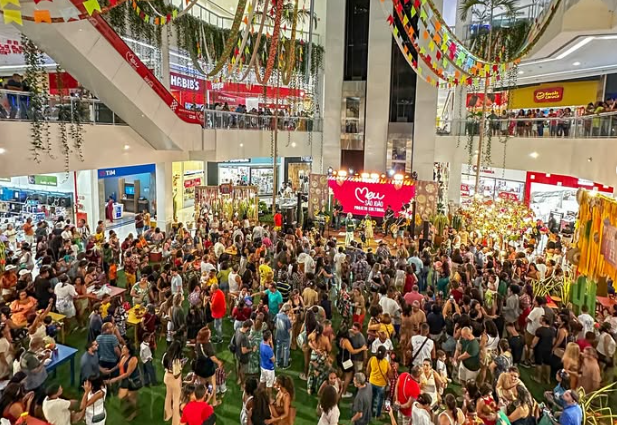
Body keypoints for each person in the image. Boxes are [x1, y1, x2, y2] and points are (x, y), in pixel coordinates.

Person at [163, 340, 185, 425]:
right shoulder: (176, 360)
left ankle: (167, 415)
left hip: (167, 377)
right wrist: (181, 367)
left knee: (168, 395)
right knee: (176, 400)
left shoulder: (166, 355)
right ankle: (175, 422)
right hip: (174, 380)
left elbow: (164, 366)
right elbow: (176, 375)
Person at [367, 345, 391, 419]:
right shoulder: (386, 362)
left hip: (372, 382)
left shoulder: (372, 359)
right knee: (380, 400)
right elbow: (389, 374)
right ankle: (378, 415)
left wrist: (368, 376)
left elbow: (368, 369)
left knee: (371, 398)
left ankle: (370, 413)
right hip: (381, 384)